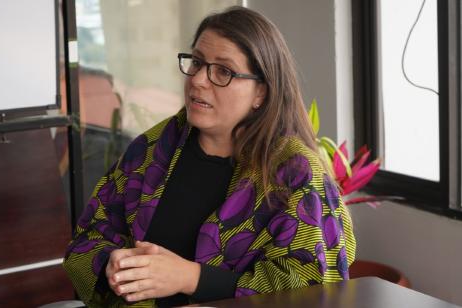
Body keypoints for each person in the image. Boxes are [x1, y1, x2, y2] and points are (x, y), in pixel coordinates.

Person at [63, 6, 356, 307]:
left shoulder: (294, 173)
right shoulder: (152, 150)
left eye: (223, 71)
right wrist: (111, 262)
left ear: (261, 93)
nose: (199, 80)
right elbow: (85, 241)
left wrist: (190, 278)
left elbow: (315, 289)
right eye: (198, 62)